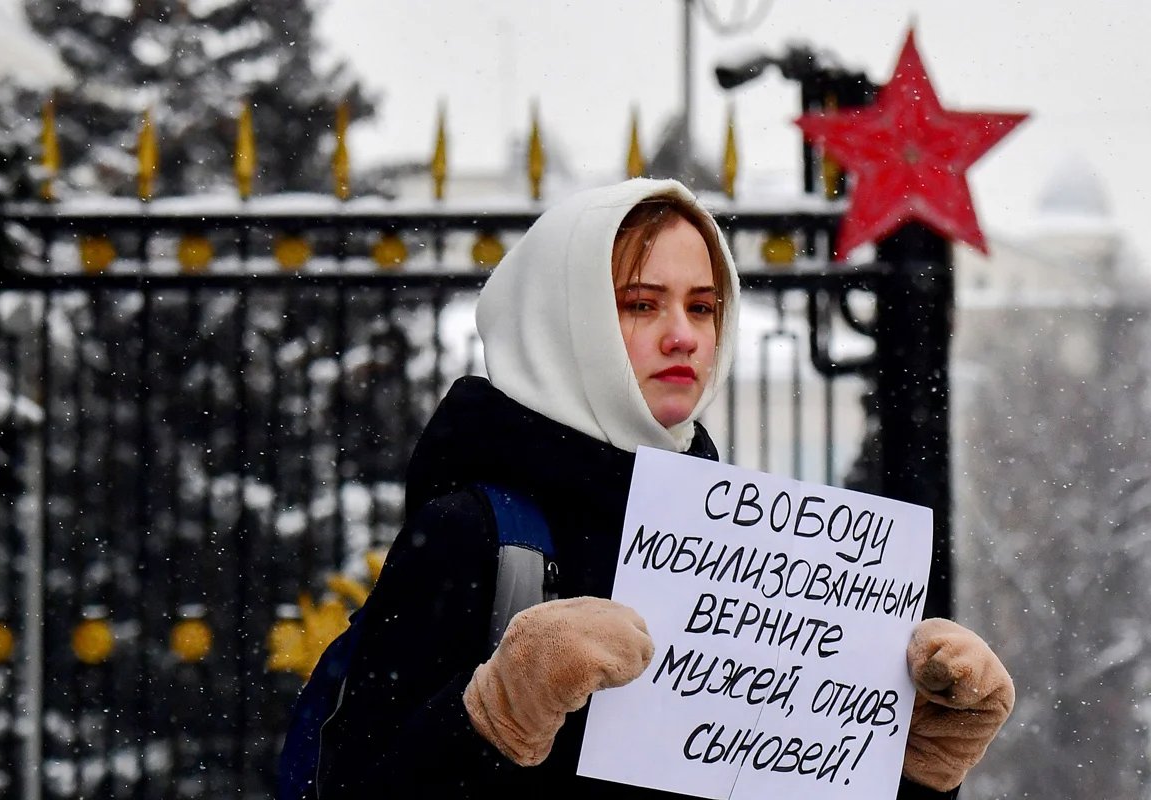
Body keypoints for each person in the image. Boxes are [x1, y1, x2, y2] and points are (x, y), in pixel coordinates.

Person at [315, 179, 1014, 799]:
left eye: (704, 307)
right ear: (564, 322)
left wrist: (913, 764)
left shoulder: (747, 545)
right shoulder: (473, 535)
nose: (683, 336)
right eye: (642, 304)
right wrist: (495, 715)